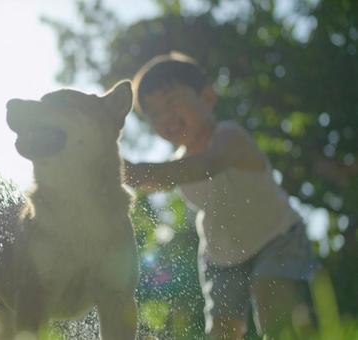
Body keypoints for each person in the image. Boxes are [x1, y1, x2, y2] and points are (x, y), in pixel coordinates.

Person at [125, 52, 318, 339]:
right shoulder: (178, 160)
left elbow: (205, 166)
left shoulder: (229, 137)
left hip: (277, 238)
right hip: (222, 257)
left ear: (207, 97)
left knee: (274, 309)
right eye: (154, 114)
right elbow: (165, 177)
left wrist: (136, 170)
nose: (165, 118)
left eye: (172, 102)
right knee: (222, 331)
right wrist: (119, 173)